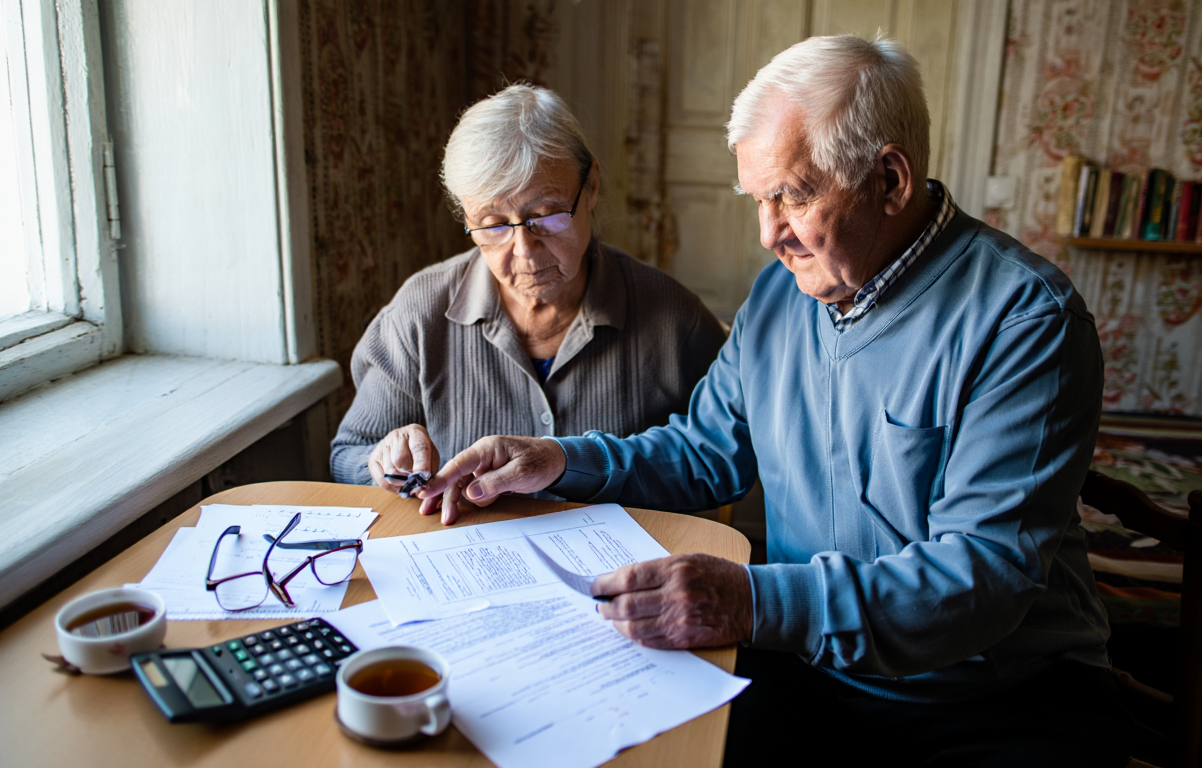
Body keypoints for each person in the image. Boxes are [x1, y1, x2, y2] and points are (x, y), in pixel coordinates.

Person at [418, 36, 1130, 766]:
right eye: (759, 200)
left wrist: (751, 602)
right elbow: (703, 453)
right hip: (812, 666)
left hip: (997, 695)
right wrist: (556, 459)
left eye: (792, 195)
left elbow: (981, 579)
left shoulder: (1026, 321)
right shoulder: (779, 299)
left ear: (890, 179)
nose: (768, 235)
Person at [331, 84, 726, 523]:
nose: (524, 250)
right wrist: (383, 463)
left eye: (545, 216)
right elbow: (348, 454)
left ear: (591, 186)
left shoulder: (674, 319)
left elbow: (717, 466)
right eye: (492, 225)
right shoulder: (420, 313)